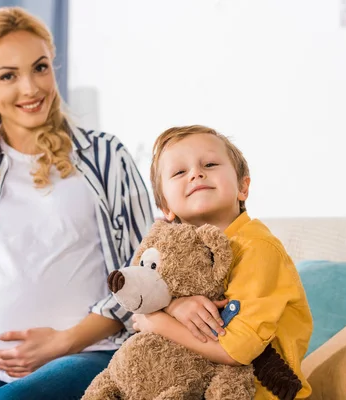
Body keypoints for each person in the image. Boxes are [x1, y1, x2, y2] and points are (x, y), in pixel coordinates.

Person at [0, 7, 153, 400]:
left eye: (40, 68)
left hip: (94, 352)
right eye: (8, 76)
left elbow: (146, 274)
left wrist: (66, 340)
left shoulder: (106, 155)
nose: (30, 88)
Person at [131, 125, 313, 399]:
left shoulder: (258, 249)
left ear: (243, 187)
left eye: (210, 164)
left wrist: (156, 322)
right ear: (166, 207)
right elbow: (137, 306)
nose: (196, 173)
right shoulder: (173, 253)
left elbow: (236, 349)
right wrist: (174, 306)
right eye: (180, 172)